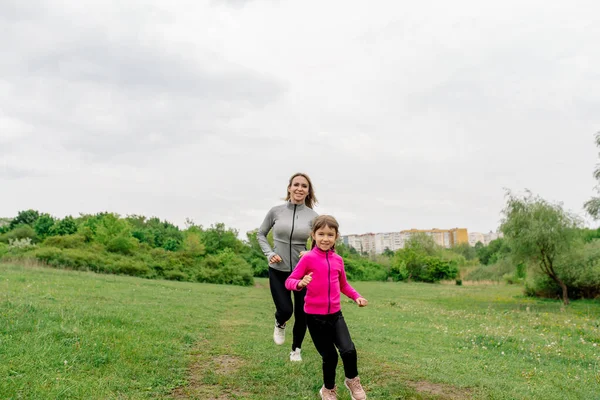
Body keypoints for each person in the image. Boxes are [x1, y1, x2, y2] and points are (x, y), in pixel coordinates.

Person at [285, 215, 368, 400]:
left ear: (336, 236)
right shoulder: (308, 259)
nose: (325, 238)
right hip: (314, 318)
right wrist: (300, 283)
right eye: (321, 234)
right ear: (313, 235)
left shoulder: (338, 260)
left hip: (336, 315)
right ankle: (328, 390)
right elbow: (289, 281)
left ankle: (352, 381)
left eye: (330, 234)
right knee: (330, 356)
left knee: (348, 349)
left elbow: (344, 285)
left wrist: (357, 297)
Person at [257, 172, 319, 362]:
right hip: (278, 270)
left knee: (303, 314)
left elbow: (320, 243)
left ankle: (296, 350)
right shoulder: (276, 211)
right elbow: (261, 234)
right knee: (285, 310)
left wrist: (310, 253)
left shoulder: (313, 216)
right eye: (296, 185)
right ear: (289, 188)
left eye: (304, 186)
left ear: (308, 191)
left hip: (302, 273)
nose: (300, 188)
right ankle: (280, 322)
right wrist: (269, 253)